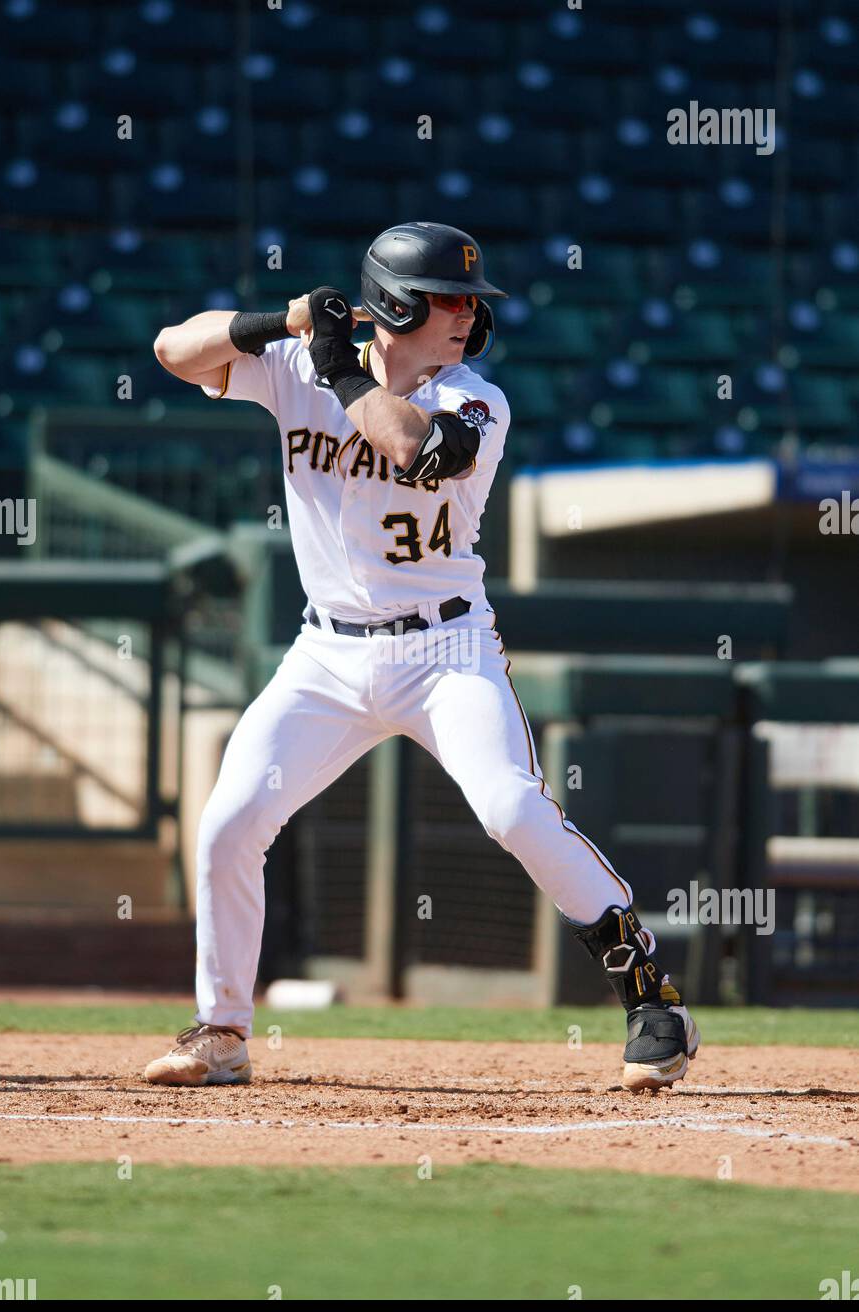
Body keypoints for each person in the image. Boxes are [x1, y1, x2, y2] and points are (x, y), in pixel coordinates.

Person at [146, 221, 699, 1092]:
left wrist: (330, 364)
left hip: (446, 649)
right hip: (325, 653)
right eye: (448, 299)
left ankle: (650, 997)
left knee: (513, 810)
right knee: (227, 822)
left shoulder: (476, 397)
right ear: (395, 304)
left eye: (470, 302)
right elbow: (173, 350)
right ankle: (222, 1030)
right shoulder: (296, 367)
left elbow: (414, 447)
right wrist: (279, 322)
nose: (467, 316)